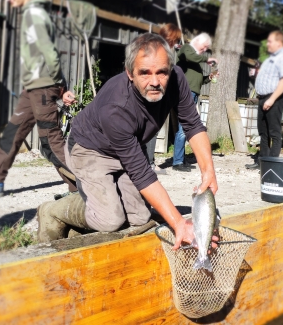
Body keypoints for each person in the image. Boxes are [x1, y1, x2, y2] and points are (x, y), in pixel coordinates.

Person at [43, 33, 218, 249]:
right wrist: (179, 223)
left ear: (170, 69)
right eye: (144, 73)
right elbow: (141, 174)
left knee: (140, 217)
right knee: (110, 220)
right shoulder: (116, 106)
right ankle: (53, 210)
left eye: (162, 72)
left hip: (129, 146)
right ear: (129, 73)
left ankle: (105, 192)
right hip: (90, 149)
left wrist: (208, 170)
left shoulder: (177, 78)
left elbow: (192, 125)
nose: (154, 82)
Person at [0, 0, 77, 198]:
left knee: (50, 140)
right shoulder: (32, 13)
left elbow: (50, 53)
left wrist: (59, 86)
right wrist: (59, 86)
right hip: (33, 87)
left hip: (42, 86)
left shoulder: (33, 13)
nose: (8, 1)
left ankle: (82, 188)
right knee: (13, 132)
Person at [245, 30, 283, 170]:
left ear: (279, 43)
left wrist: (272, 99)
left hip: (274, 98)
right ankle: (261, 163)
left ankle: (272, 165)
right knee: (263, 133)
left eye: (270, 41)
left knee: (274, 133)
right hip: (262, 98)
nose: (267, 44)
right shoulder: (270, 59)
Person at [175, 33, 218, 172]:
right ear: (197, 42)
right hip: (185, 93)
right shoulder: (186, 49)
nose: (205, 50)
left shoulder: (195, 60)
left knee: (187, 127)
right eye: (204, 46)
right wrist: (206, 59)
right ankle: (177, 162)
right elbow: (189, 57)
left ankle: (181, 159)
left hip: (192, 94)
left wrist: (209, 77)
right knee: (183, 127)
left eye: (206, 48)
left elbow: (199, 80)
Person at [144, 23, 182, 176]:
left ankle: (148, 162)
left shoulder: (157, 47)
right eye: (175, 39)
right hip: (154, 92)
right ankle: (149, 163)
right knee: (151, 127)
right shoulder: (161, 50)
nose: (175, 42)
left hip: (156, 92)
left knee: (150, 127)